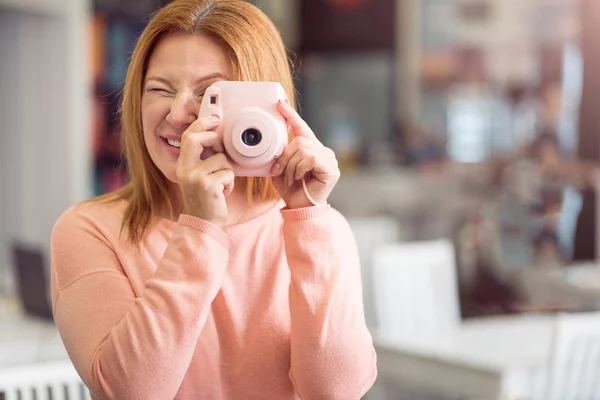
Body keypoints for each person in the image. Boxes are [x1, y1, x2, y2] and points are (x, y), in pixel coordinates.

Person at [49, 1, 377, 399]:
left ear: (265, 106)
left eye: (209, 94)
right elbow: (132, 391)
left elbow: (333, 393)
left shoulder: (318, 228)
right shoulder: (89, 230)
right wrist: (200, 228)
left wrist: (309, 217)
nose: (177, 112)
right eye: (159, 89)